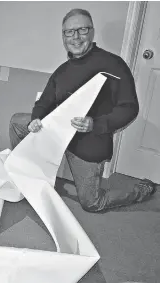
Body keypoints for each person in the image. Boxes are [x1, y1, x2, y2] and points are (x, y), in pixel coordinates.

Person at [9, 8, 156, 213]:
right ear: (63, 36)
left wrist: (95, 124)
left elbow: (130, 108)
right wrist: (36, 119)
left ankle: (141, 190)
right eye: (69, 32)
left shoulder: (113, 64)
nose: (75, 37)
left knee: (92, 203)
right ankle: (27, 175)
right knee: (18, 121)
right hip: (59, 135)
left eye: (82, 30)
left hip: (88, 143)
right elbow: (43, 103)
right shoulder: (62, 71)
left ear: (92, 32)